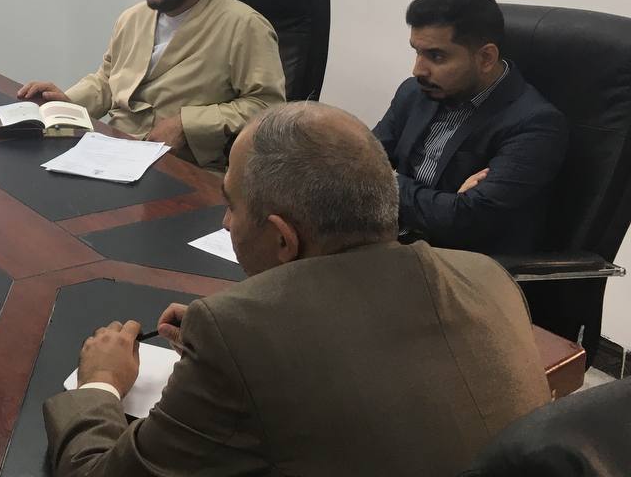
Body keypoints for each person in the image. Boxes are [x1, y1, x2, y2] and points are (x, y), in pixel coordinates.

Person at [45, 102, 551, 477]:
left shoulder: (238, 337)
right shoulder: (486, 276)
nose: (225, 222)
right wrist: (236, 341)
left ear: (283, 239)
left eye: (231, 205)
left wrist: (102, 383)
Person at [19, 0, 284, 168]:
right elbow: (108, 80)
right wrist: (68, 103)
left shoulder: (244, 26)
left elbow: (267, 106)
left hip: (183, 165)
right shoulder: (132, 18)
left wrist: (186, 124)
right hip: (115, 148)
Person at [373, 0, 567, 254]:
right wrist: (445, 202)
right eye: (417, 51)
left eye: (436, 56)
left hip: (460, 263)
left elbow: (462, 221)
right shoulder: (415, 92)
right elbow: (356, 162)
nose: (418, 70)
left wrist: (383, 182)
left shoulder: (535, 125)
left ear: (486, 58)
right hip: (390, 241)